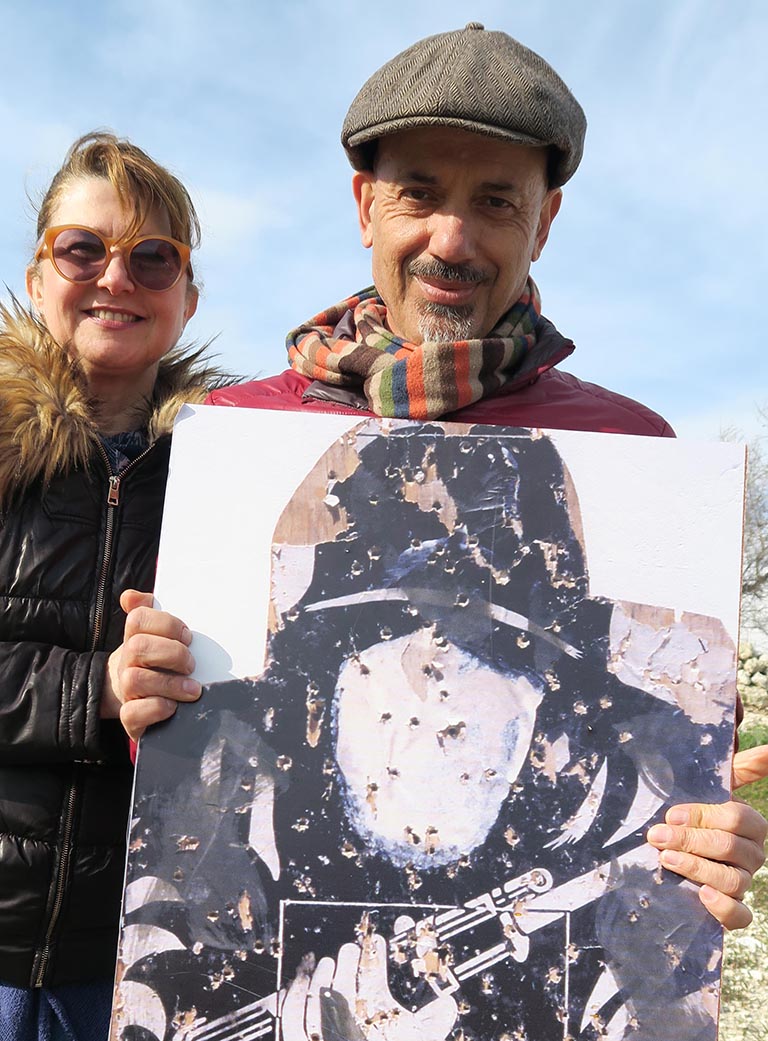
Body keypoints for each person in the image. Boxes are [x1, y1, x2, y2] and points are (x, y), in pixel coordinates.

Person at [114, 16, 766, 969]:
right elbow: (179, 771)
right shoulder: (240, 438)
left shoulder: (630, 453)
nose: (451, 240)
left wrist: (708, 834)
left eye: (496, 202)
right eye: (420, 193)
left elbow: (681, 780)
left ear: (543, 222)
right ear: (366, 204)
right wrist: (144, 693)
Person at [115, 423, 744, 1041]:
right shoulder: (221, 837)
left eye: (482, 653)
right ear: (322, 683)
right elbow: (151, 996)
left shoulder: (621, 844)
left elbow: (664, 1011)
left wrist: (705, 868)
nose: (432, 696)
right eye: (398, 653)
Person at [0, 132, 231, 1041]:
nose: (116, 278)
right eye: (83, 248)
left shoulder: (231, 479)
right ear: (36, 274)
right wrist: (95, 689)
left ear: (187, 297)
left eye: (151, 257)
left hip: (141, 966)